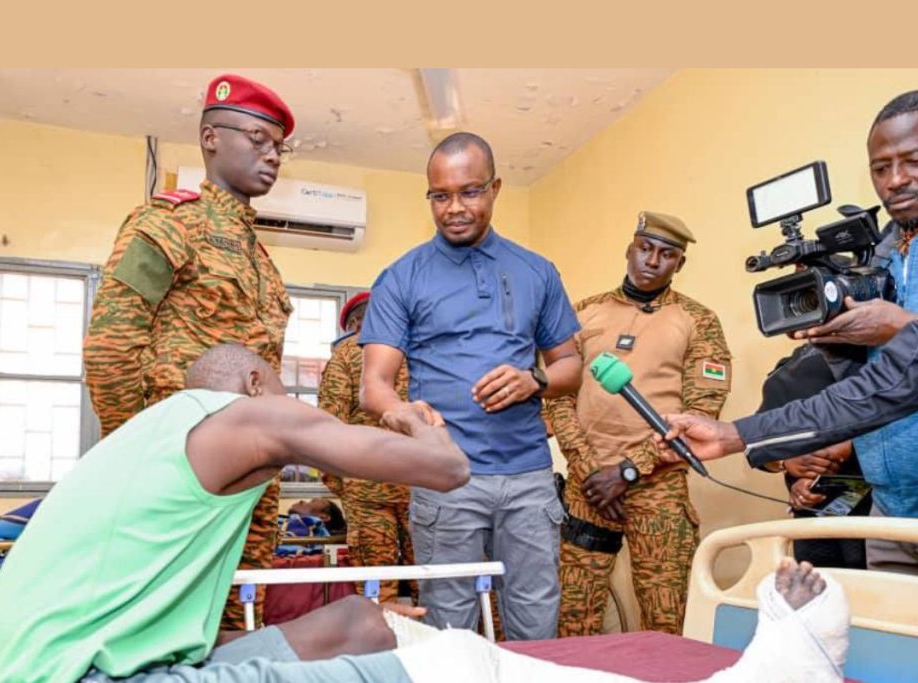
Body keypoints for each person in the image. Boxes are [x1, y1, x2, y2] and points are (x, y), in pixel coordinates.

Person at [0, 343, 469, 682]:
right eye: (282, 394)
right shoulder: (246, 415)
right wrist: (409, 415)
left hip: (42, 669)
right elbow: (448, 468)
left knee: (361, 623)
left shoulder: (147, 435)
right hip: (76, 677)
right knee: (445, 667)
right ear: (255, 382)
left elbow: (167, 642)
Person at [665, 92, 918, 574]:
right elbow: (869, 392)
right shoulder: (882, 256)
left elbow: (905, 375)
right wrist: (839, 342)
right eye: (880, 168)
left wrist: (898, 328)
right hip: (891, 514)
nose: (895, 180)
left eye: (913, 161)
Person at [82, 73, 296, 627]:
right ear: (210, 138)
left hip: (252, 477)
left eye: (279, 146)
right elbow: (111, 347)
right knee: (165, 619)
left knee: (236, 624)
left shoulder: (259, 256)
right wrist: (140, 456)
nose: (272, 155)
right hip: (183, 467)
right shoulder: (168, 224)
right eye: (258, 138)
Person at [358, 132, 582, 639]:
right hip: (445, 476)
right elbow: (375, 385)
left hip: (527, 476)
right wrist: (405, 415)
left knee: (536, 619)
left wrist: (534, 380)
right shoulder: (403, 276)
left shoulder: (536, 271)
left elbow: (570, 367)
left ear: (495, 188)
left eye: (470, 192)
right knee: (448, 623)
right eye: (440, 196)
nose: (454, 208)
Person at [546, 211, 732, 636]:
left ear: (679, 264)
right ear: (629, 249)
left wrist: (628, 471)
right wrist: (589, 470)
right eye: (645, 248)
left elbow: (701, 414)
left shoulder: (698, 320)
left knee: (666, 620)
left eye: (667, 254)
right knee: (573, 616)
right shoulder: (583, 313)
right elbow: (558, 397)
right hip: (588, 490)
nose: (652, 260)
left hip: (658, 487)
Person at [318, 291, 415, 603]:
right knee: (434, 579)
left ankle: (382, 634)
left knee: (376, 588)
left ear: (355, 323)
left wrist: (343, 484)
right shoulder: (419, 349)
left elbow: (327, 426)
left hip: (365, 485)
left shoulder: (346, 354)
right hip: (423, 482)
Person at [756, 344, 870, 569]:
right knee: (821, 584)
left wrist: (851, 446)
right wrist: (786, 462)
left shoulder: (883, 357)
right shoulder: (786, 371)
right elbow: (759, 445)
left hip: (881, 507)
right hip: (816, 516)